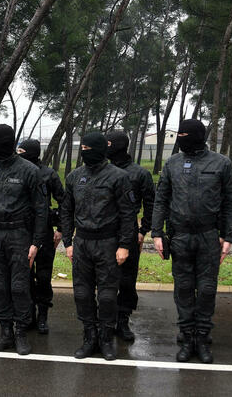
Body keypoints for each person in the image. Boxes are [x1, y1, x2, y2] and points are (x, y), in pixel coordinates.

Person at [151, 119, 232, 364]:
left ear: (199, 136)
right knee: (184, 289)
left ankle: (202, 337)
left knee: (207, 289)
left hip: (209, 236)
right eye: (178, 134)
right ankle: (187, 335)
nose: (181, 138)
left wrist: (228, 236)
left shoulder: (221, 163)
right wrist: (157, 233)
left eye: (185, 134)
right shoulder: (172, 163)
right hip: (179, 236)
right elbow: (161, 200)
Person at [0, 124, 48, 356]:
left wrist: (36, 242)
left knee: (19, 287)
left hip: (20, 235)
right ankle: (5, 332)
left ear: (6, 141)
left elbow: (41, 208)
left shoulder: (29, 170)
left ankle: (21, 333)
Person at [61, 132, 135, 361]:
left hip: (108, 243)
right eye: (82, 147)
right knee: (82, 294)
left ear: (100, 149)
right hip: (82, 243)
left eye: (88, 147)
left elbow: (128, 214)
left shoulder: (118, 177)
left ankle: (105, 338)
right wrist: (67, 242)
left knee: (107, 295)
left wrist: (124, 245)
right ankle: (89, 337)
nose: (84, 151)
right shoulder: (74, 176)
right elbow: (66, 210)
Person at [105, 131, 155, 342]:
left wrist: (143, 231)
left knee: (127, 280)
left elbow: (151, 204)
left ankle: (123, 320)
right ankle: (105, 320)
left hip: (129, 233)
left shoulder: (139, 173)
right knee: (105, 279)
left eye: (108, 143)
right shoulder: (101, 170)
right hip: (104, 233)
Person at [17, 138, 65, 334]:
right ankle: (28, 315)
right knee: (24, 276)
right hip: (21, 232)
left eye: (21, 151)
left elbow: (64, 201)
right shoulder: (17, 171)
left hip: (44, 232)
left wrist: (60, 228)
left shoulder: (48, 174)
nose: (18, 154)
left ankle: (43, 316)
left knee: (43, 276)